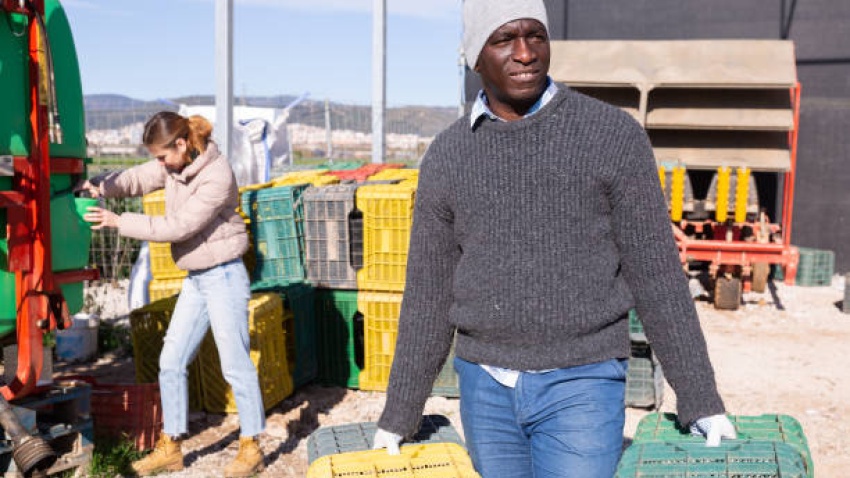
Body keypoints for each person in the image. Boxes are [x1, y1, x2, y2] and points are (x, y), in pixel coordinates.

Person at [372, 1, 736, 476]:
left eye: (536, 36)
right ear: (474, 57)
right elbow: (429, 292)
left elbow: (656, 273)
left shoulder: (610, 135)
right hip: (484, 385)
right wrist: (400, 412)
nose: (525, 53)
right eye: (505, 39)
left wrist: (700, 397)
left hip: (584, 379)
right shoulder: (448, 156)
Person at [79, 112, 265, 477]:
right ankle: (172, 445)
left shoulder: (217, 174)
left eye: (162, 156)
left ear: (181, 144)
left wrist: (119, 222)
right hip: (197, 277)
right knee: (171, 360)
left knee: (235, 364)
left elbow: (178, 227)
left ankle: (251, 445)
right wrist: (100, 185)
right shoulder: (173, 165)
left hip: (225, 276)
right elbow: (135, 178)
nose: (159, 163)